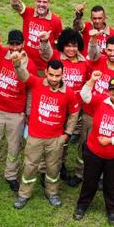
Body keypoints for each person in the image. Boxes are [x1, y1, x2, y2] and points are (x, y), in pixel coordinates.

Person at [13, 57, 80, 209]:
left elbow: (74, 113)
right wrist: (17, 63)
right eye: (51, 75)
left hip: (55, 139)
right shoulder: (37, 83)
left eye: (57, 76)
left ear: (63, 75)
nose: (54, 79)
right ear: (46, 73)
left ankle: (52, 192)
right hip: (35, 136)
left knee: (53, 168)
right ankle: (24, 194)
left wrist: (67, 134)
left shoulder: (68, 93)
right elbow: (23, 75)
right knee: (30, 166)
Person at [75, 75, 114, 224]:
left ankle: (112, 211)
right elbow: (84, 95)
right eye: (112, 89)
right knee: (89, 182)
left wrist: (110, 141)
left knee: (112, 185)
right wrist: (91, 80)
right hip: (93, 153)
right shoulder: (100, 101)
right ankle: (81, 206)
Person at [0, 27, 32, 193]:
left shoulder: (29, 62)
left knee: (14, 148)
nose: (15, 47)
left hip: (16, 113)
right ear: (7, 43)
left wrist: (28, 113)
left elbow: (31, 90)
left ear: (23, 44)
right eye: (12, 44)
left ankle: (11, 176)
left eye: (18, 44)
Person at [38, 27, 90, 185]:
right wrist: (45, 41)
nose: (71, 49)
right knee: (51, 140)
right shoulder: (57, 57)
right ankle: (44, 169)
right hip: (57, 107)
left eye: (74, 45)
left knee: (65, 140)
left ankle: (60, 166)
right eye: (67, 45)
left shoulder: (84, 63)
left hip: (75, 111)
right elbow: (46, 52)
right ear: (62, 46)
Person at [81, 36, 114, 186]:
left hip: (109, 119)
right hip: (91, 114)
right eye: (109, 50)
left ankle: (101, 176)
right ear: (105, 50)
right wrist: (93, 39)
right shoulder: (97, 62)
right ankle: (81, 171)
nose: (112, 53)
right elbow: (90, 55)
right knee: (85, 146)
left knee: (104, 147)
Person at [11, 0, 62, 75]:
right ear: (35, 2)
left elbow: (58, 44)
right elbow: (16, 4)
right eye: (39, 1)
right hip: (25, 62)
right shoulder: (28, 13)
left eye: (44, 2)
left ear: (49, 3)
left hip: (43, 67)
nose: (41, 4)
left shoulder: (56, 20)